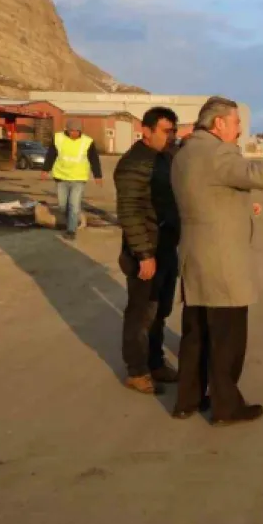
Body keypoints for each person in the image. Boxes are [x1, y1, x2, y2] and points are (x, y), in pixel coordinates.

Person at [170, 96, 263, 425]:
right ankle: (226, 407)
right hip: (221, 261)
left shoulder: (185, 152)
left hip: (194, 254)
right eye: (235, 122)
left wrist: (242, 207)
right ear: (219, 124)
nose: (239, 129)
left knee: (196, 333)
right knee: (227, 337)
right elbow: (257, 174)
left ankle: (188, 400)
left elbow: (209, 195)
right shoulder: (218, 152)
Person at [113, 107, 183, 396]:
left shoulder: (165, 156)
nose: (171, 137)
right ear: (146, 130)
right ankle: (137, 371)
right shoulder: (133, 164)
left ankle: (155, 362)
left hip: (167, 246)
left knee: (161, 310)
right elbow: (129, 212)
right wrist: (143, 254)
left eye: (174, 131)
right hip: (147, 250)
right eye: (166, 131)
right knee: (141, 313)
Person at [41, 118, 103, 240]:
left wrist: (98, 175)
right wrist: (45, 169)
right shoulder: (58, 138)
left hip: (78, 179)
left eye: (77, 131)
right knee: (62, 206)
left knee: (74, 205)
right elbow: (51, 154)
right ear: (67, 130)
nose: (75, 134)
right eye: (72, 131)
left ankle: (71, 230)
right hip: (61, 177)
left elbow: (94, 159)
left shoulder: (87, 142)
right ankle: (74, 218)